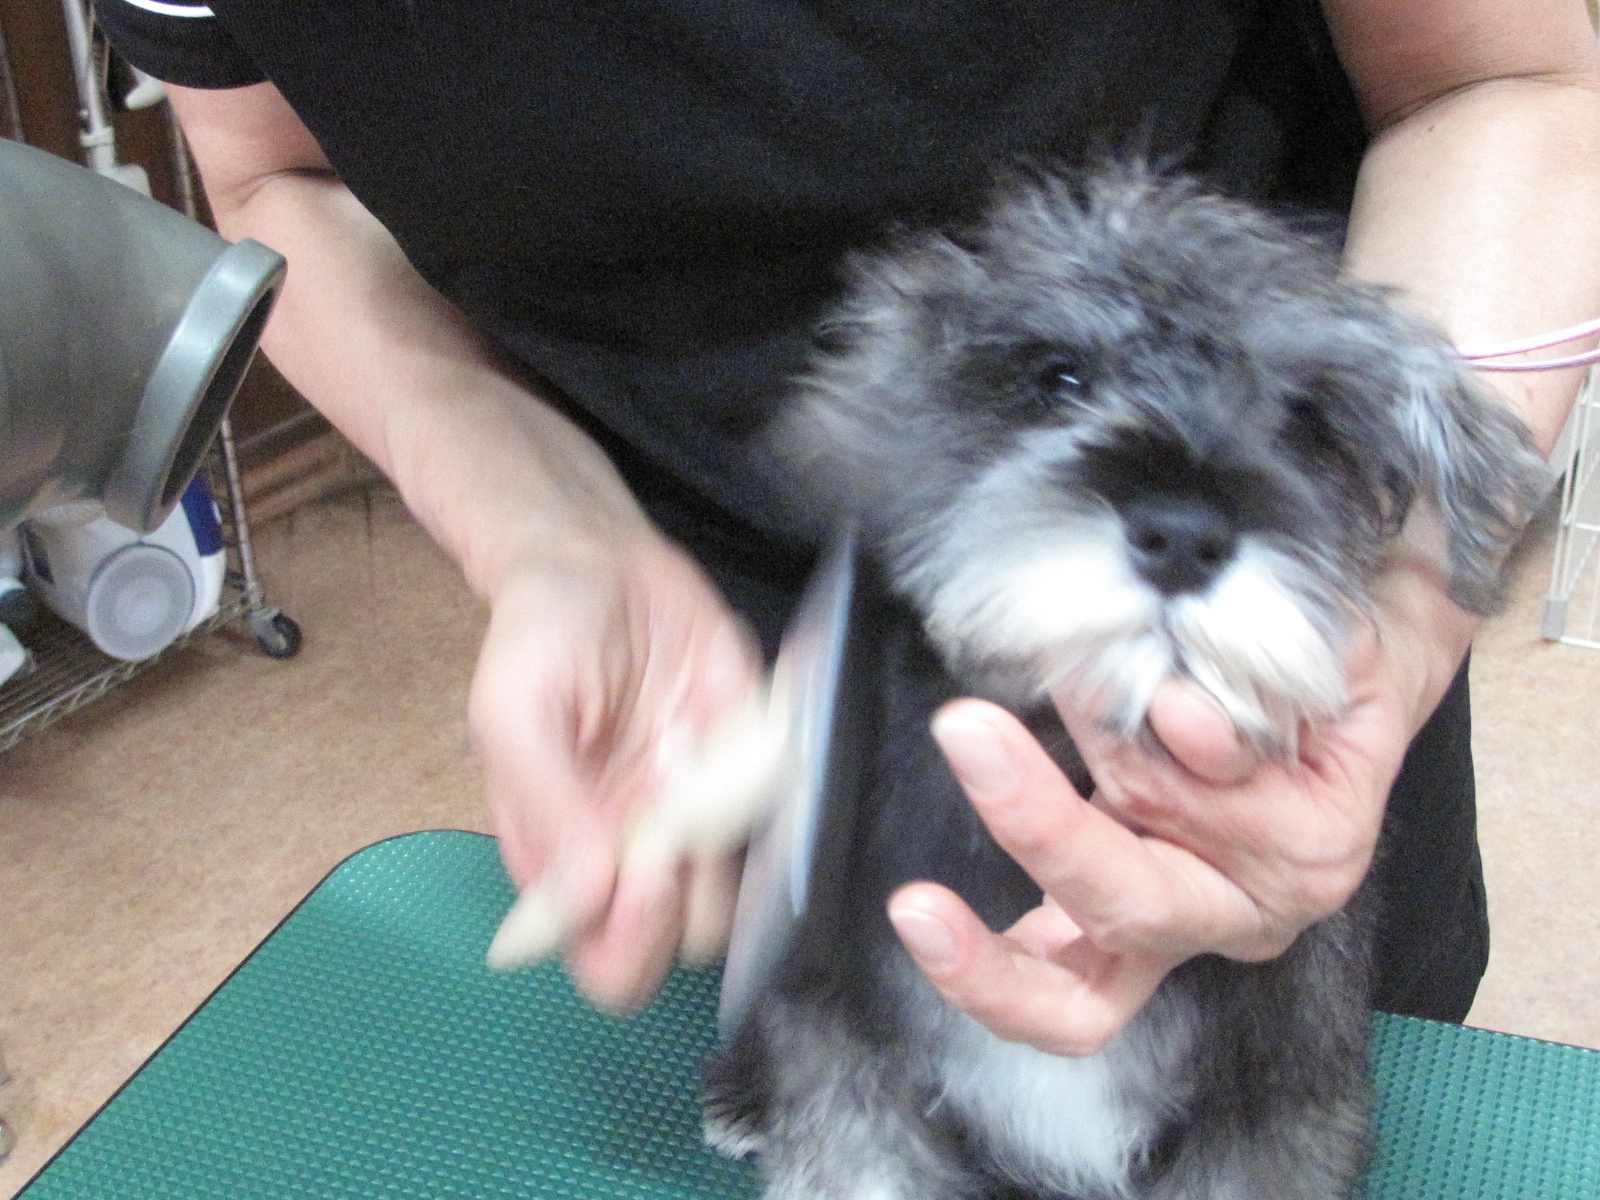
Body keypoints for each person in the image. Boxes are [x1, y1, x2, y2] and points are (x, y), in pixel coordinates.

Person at [99, 0, 1600, 1052]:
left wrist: (1395, 626)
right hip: (710, 675)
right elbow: (275, 176)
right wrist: (547, 531)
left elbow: (1505, 84)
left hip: (1253, 633)